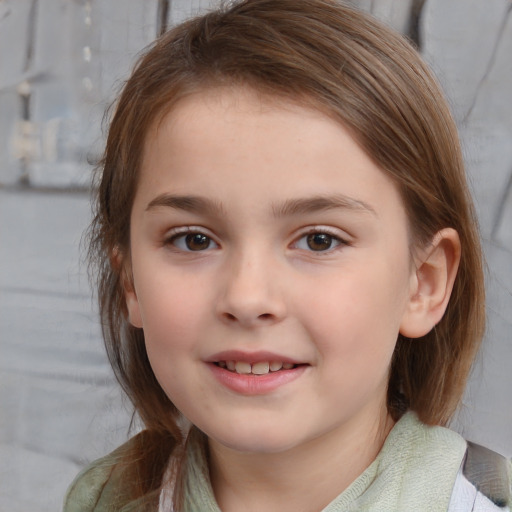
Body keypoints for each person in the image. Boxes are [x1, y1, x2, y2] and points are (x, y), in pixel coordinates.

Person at [64, 0, 511, 510]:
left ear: (423, 283)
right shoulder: (105, 500)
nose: (248, 298)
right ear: (130, 284)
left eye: (319, 240)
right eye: (194, 239)